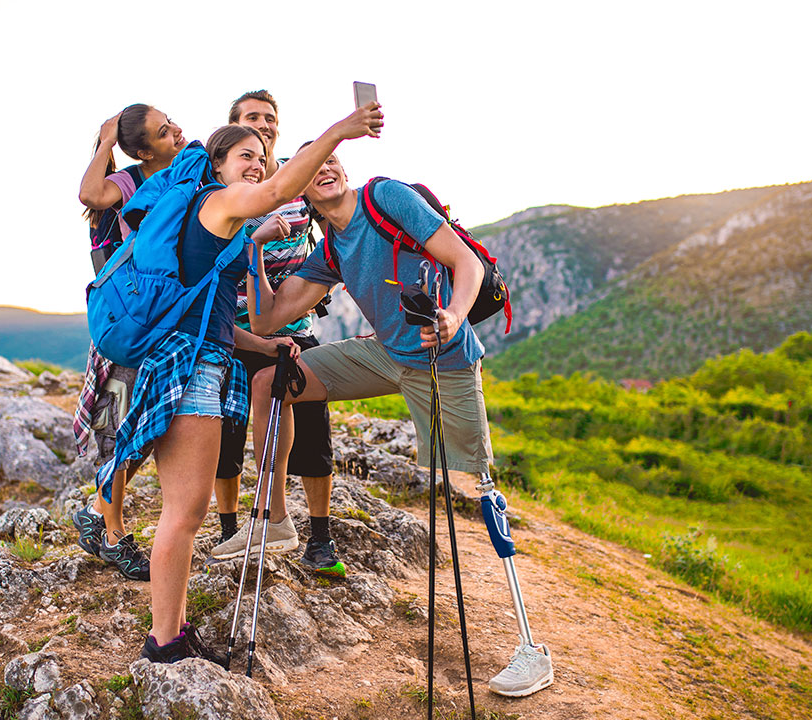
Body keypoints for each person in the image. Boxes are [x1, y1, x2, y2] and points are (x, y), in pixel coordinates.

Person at [244, 152, 554, 697]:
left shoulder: (382, 198)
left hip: (447, 358)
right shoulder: (331, 252)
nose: (327, 169)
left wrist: (453, 316)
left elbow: (467, 263)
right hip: (387, 355)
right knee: (270, 383)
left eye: (332, 159)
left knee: (474, 485)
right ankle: (276, 519)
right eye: (312, 168)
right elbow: (268, 319)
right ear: (299, 191)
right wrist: (252, 248)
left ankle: (532, 649)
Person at [95, 105, 383, 664]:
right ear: (218, 164)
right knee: (185, 512)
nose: (258, 164)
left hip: (186, 357)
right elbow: (279, 190)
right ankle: (165, 642)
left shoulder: (208, 218)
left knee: (184, 510)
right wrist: (340, 133)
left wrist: (265, 346)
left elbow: (213, 317)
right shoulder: (217, 203)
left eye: (261, 155)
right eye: (245, 156)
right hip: (193, 370)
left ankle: (171, 630)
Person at [208, 90, 342, 578]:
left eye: (269, 119)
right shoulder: (224, 188)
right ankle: (231, 529)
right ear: (233, 129)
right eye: (251, 120)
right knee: (226, 431)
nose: (262, 126)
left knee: (311, 431)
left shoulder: (294, 179)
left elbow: (335, 212)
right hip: (233, 330)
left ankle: (320, 538)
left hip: (295, 328)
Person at [72, 104, 186, 581]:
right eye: (164, 131)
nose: (177, 130)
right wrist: (104, 143)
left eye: (172, 121)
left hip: (167, 318)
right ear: (143, 150)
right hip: (134, 320)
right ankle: (112, 535)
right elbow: (89, 193)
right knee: (120, 430)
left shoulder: (188, 172)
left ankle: (97, 517)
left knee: (149, 426)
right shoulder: (131, 183)